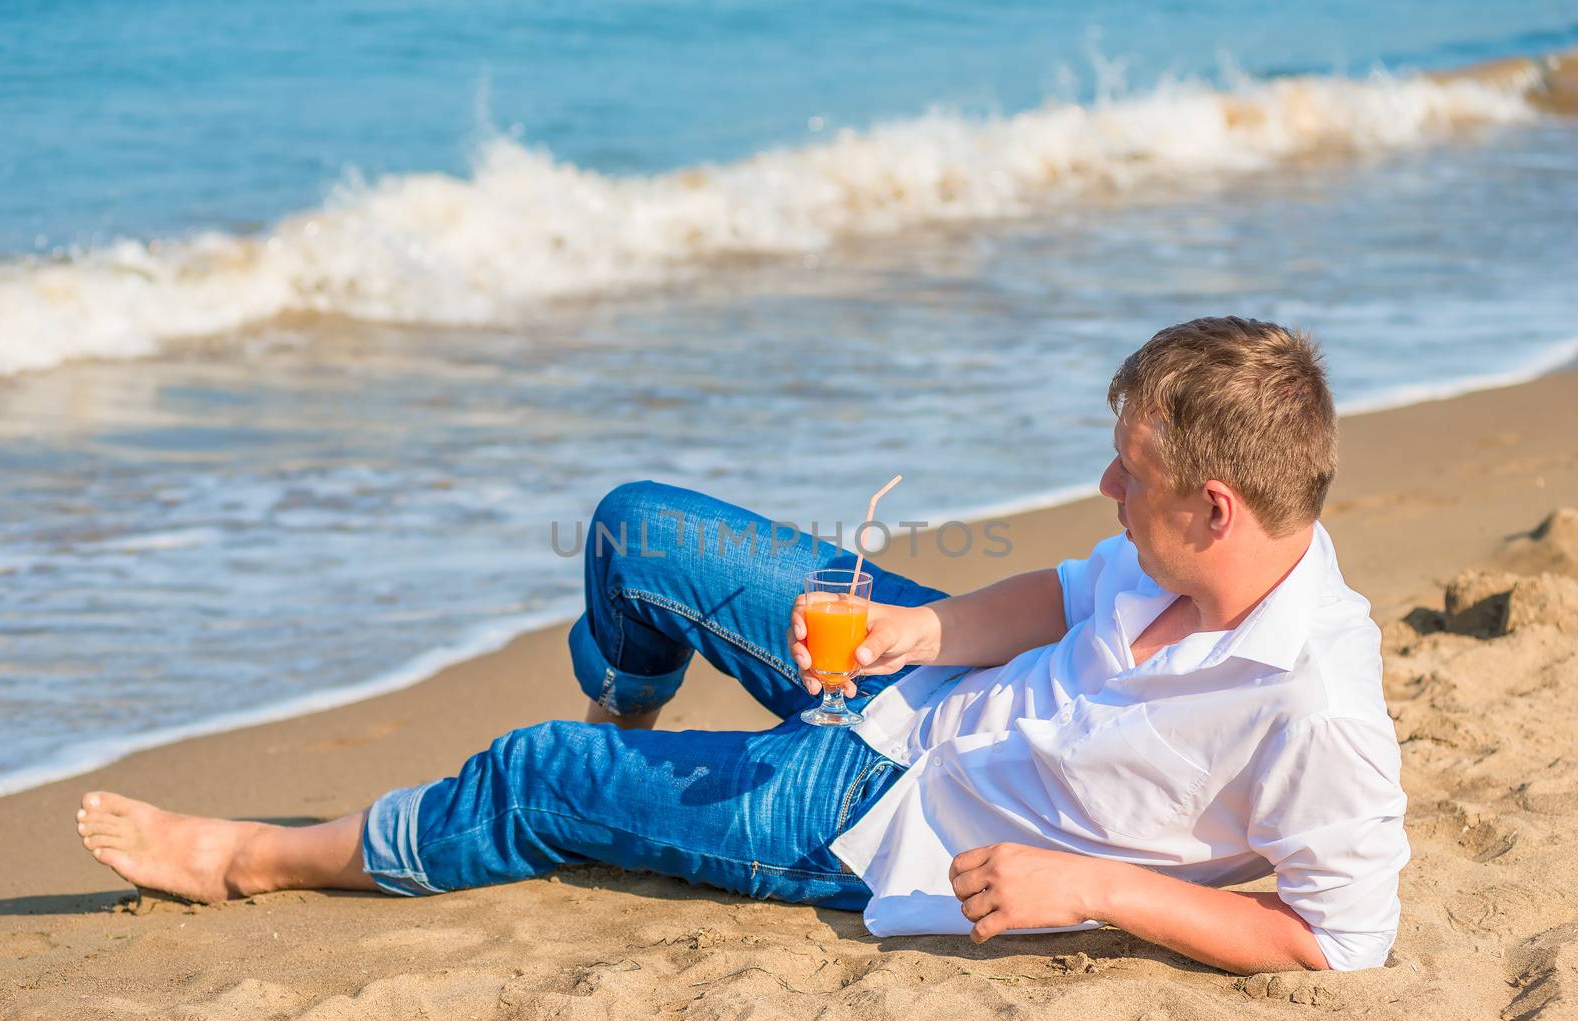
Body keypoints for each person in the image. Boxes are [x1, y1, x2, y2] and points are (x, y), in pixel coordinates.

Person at [74, 316, 1409, 975]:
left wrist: (1098, 890)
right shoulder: (1184, 547)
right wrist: (917, 628)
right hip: (933, 683)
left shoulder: (1314, 707)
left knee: (534, 779)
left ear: (1216, 507)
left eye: (1131, 474)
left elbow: (1338, 943)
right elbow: (1064, 594)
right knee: (636, 530)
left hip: (877, 815)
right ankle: (634, 735)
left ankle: (252, 858)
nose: (1110, 491)